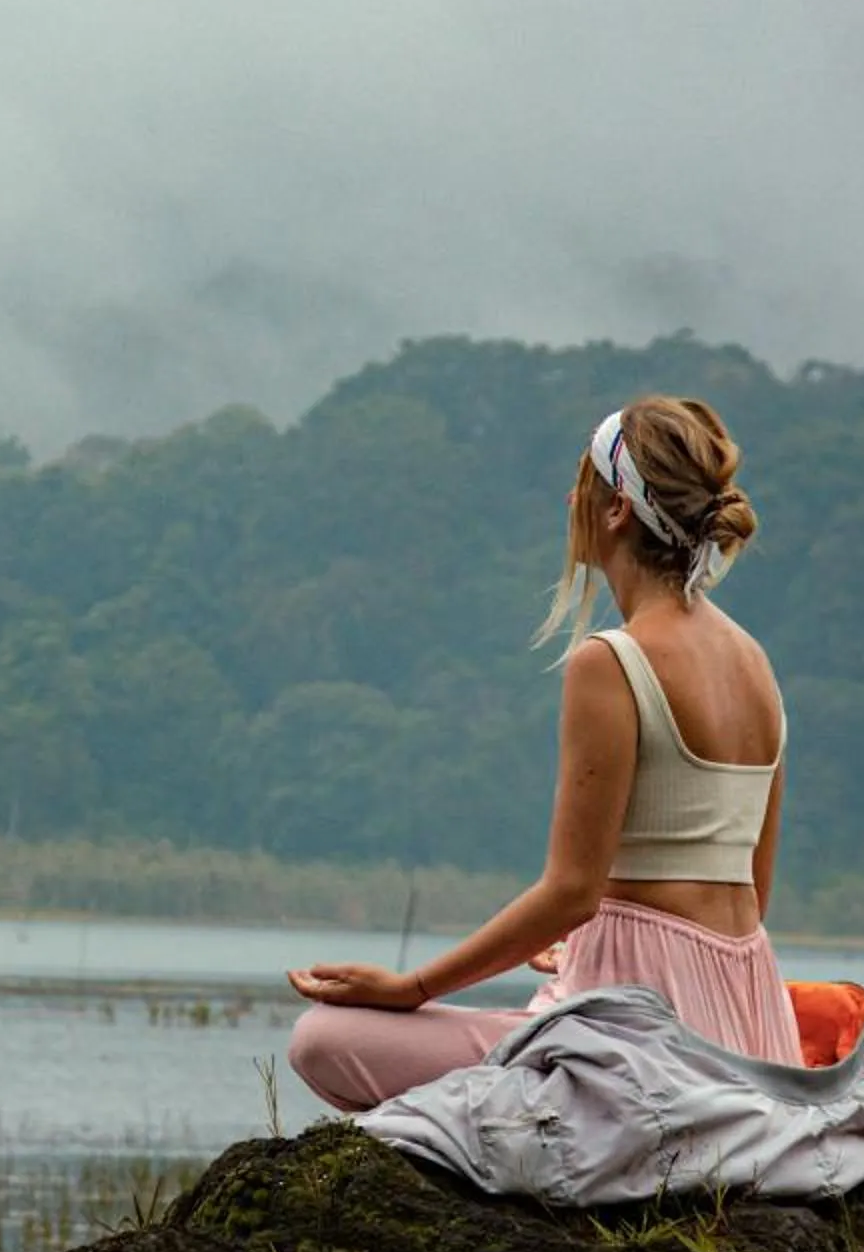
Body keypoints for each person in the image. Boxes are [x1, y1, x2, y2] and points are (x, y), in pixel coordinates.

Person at [287, 394, 798, 1110]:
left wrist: (414, 987)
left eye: (583, 482)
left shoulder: (612, 661)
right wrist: (595, 947)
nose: (569, 499)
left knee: (322, 1039)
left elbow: (571, 891)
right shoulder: (757, 667)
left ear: (617, 510)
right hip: (748, 1025)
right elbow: (749, 895)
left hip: (642, 1042)